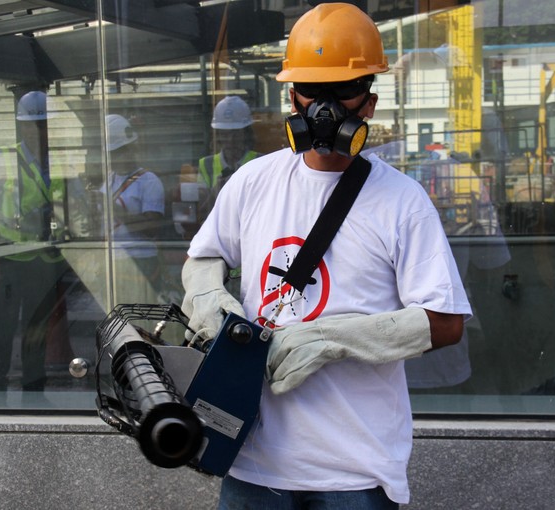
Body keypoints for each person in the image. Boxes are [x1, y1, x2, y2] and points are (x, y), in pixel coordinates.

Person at [181, 4, 471, 508]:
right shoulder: (254, 181)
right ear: (291, 94)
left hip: (353, 471)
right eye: (313, 90)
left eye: (344, 90)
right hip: (253, 461)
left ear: (370, 102)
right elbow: (204, 256)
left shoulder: (402, 201)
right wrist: (208, 297)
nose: (325, 107)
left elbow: (445, 323)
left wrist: (333, 338)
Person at [0, 90, 71, 401]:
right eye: (33, 125)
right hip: (11, 258)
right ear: (22, 127)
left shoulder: (58, 159)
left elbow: (65, 207)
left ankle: (33, 389)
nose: (39, 131)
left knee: (35, 328)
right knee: (3, 328)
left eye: (44, 124)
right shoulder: (5, 158)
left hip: (45, 259)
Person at [100, 113, 166, 304]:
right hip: (115, 259)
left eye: (122, 150)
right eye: (114, 153)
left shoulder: (148, 181)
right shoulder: (109, 180)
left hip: (142, 260)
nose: (118, 157)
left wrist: (115, 210)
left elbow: (152, 228)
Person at [175, 96, 261, 239]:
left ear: (245, 133)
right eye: (225, 134)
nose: (230, 140)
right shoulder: (206, 164)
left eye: (236, 134)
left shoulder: (260, 161)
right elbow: (201, 210)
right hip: (218, 235)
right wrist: (216, 192)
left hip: (252, 234)